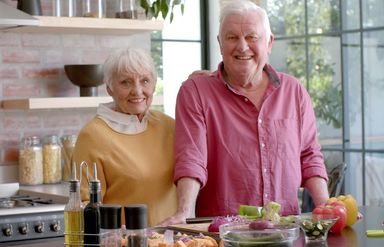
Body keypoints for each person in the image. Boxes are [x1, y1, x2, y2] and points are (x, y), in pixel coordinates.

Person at [160, 0, 329, 225]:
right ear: (220, 43)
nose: (242, 46)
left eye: (251, 37)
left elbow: (309, 156)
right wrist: (184, 211)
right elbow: (191, 159)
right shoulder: (195, 93)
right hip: (222, 234)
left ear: (268, 42)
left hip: (286, 232)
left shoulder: (294, 92)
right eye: (232, 37)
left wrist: (327, 206)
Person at [72, 48, 177, 226]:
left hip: (174, 242)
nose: (137, 91)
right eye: (125, 82)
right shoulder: (93, 135)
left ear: (154, 84)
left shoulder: (169, 126)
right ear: (109, 88)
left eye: (145, 81)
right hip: (124, 244)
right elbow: (84, 206)